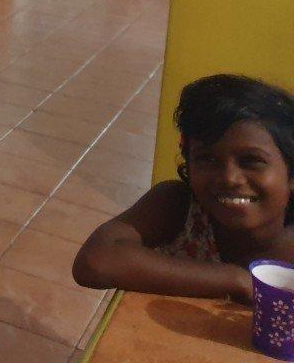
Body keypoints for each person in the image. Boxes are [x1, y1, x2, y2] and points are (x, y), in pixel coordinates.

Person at [73, 74, 294, 302]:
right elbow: (96, 261)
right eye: (207, 159)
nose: (229, 178)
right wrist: (235, 280)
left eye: (251, 160)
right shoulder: (181, 209)